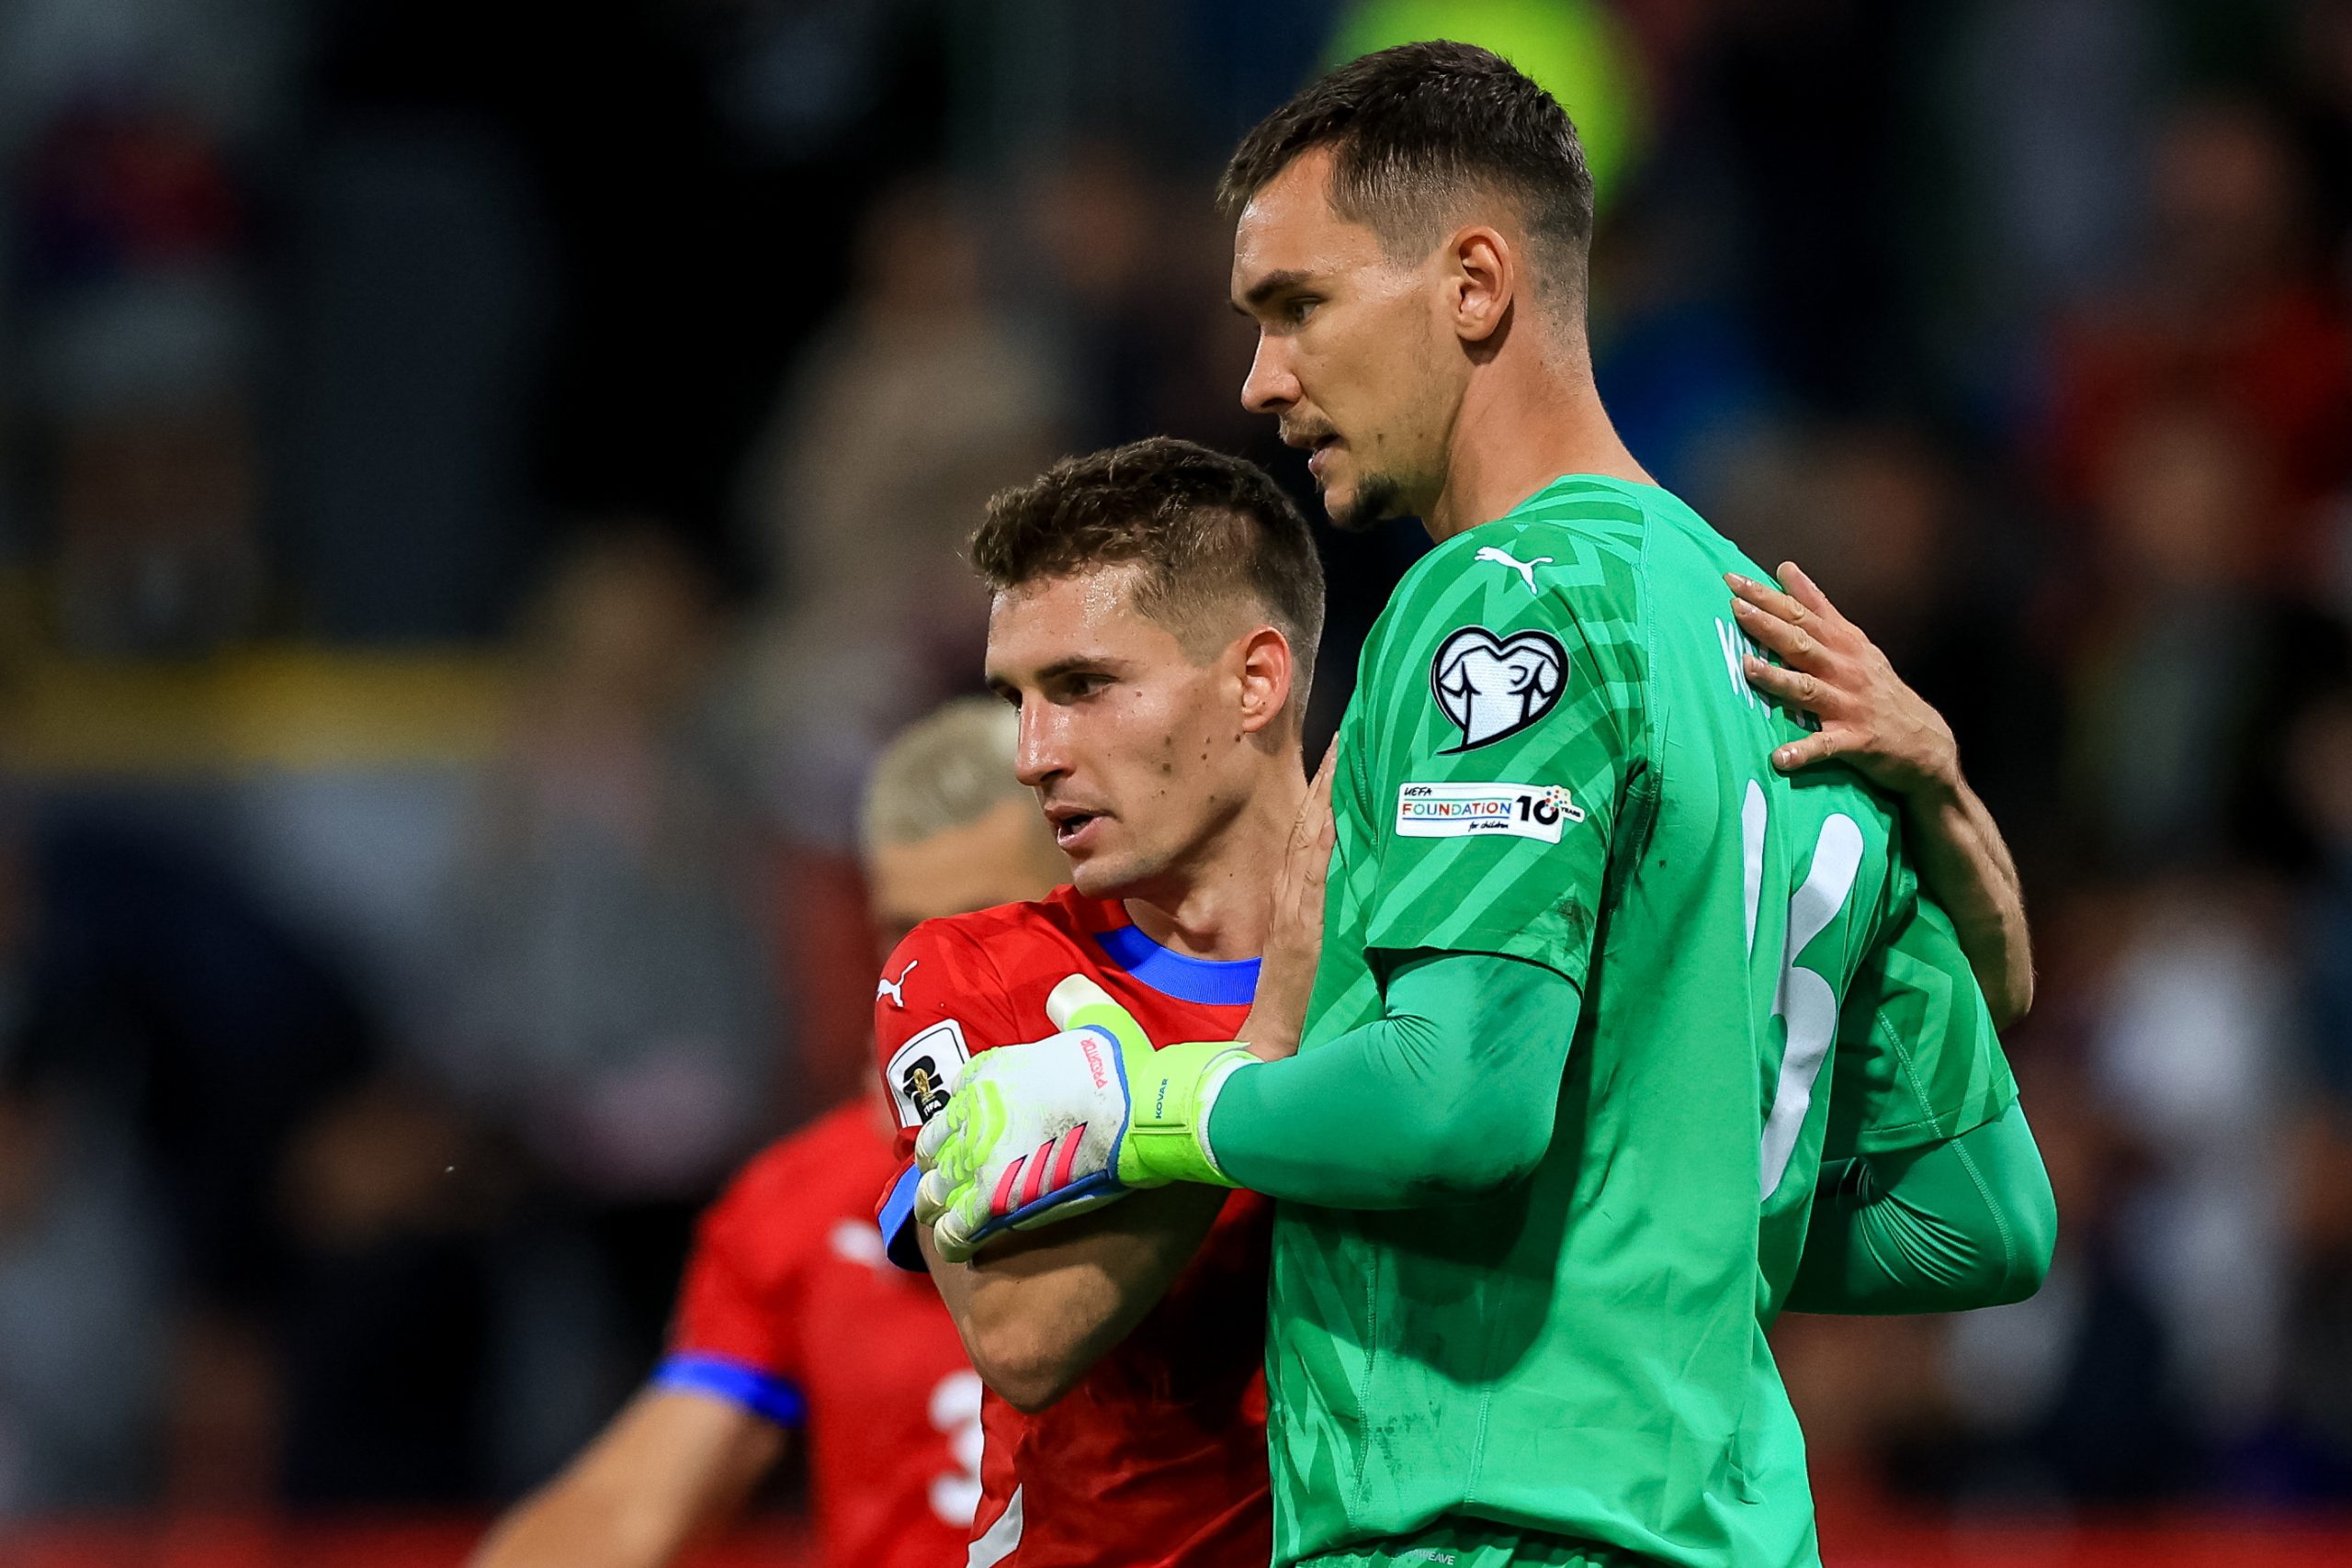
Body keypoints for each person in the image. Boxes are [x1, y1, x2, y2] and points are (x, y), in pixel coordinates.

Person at [918, 43, 2055, 1568]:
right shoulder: (1798, 656)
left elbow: (1454, 1100)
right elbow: (1978, 1216)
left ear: (1472, 283)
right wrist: (1658, 1222)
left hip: (1491, 1529)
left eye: (1298, 306)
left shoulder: (1500, 602)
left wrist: (1150, 1110)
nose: (1260, 377)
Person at [471, 697, 1064, 1568]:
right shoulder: (802, 1199)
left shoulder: (1203, 1132)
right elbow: (629, 1506)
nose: (933, 975)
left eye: (983, 925)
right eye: (904, 931)